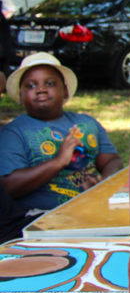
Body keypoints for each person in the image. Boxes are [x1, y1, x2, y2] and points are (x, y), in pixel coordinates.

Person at [0, 53, 123, 215]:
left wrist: (103, 185)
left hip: (93, 208)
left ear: (65, 91)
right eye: (30, 86)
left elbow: (112, 161)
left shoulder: (87, 123)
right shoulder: (13, 133)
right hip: (41, 216)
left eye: (50, 83)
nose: (41, 90)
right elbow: (8, 186)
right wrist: (58, 162)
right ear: (20, 96)